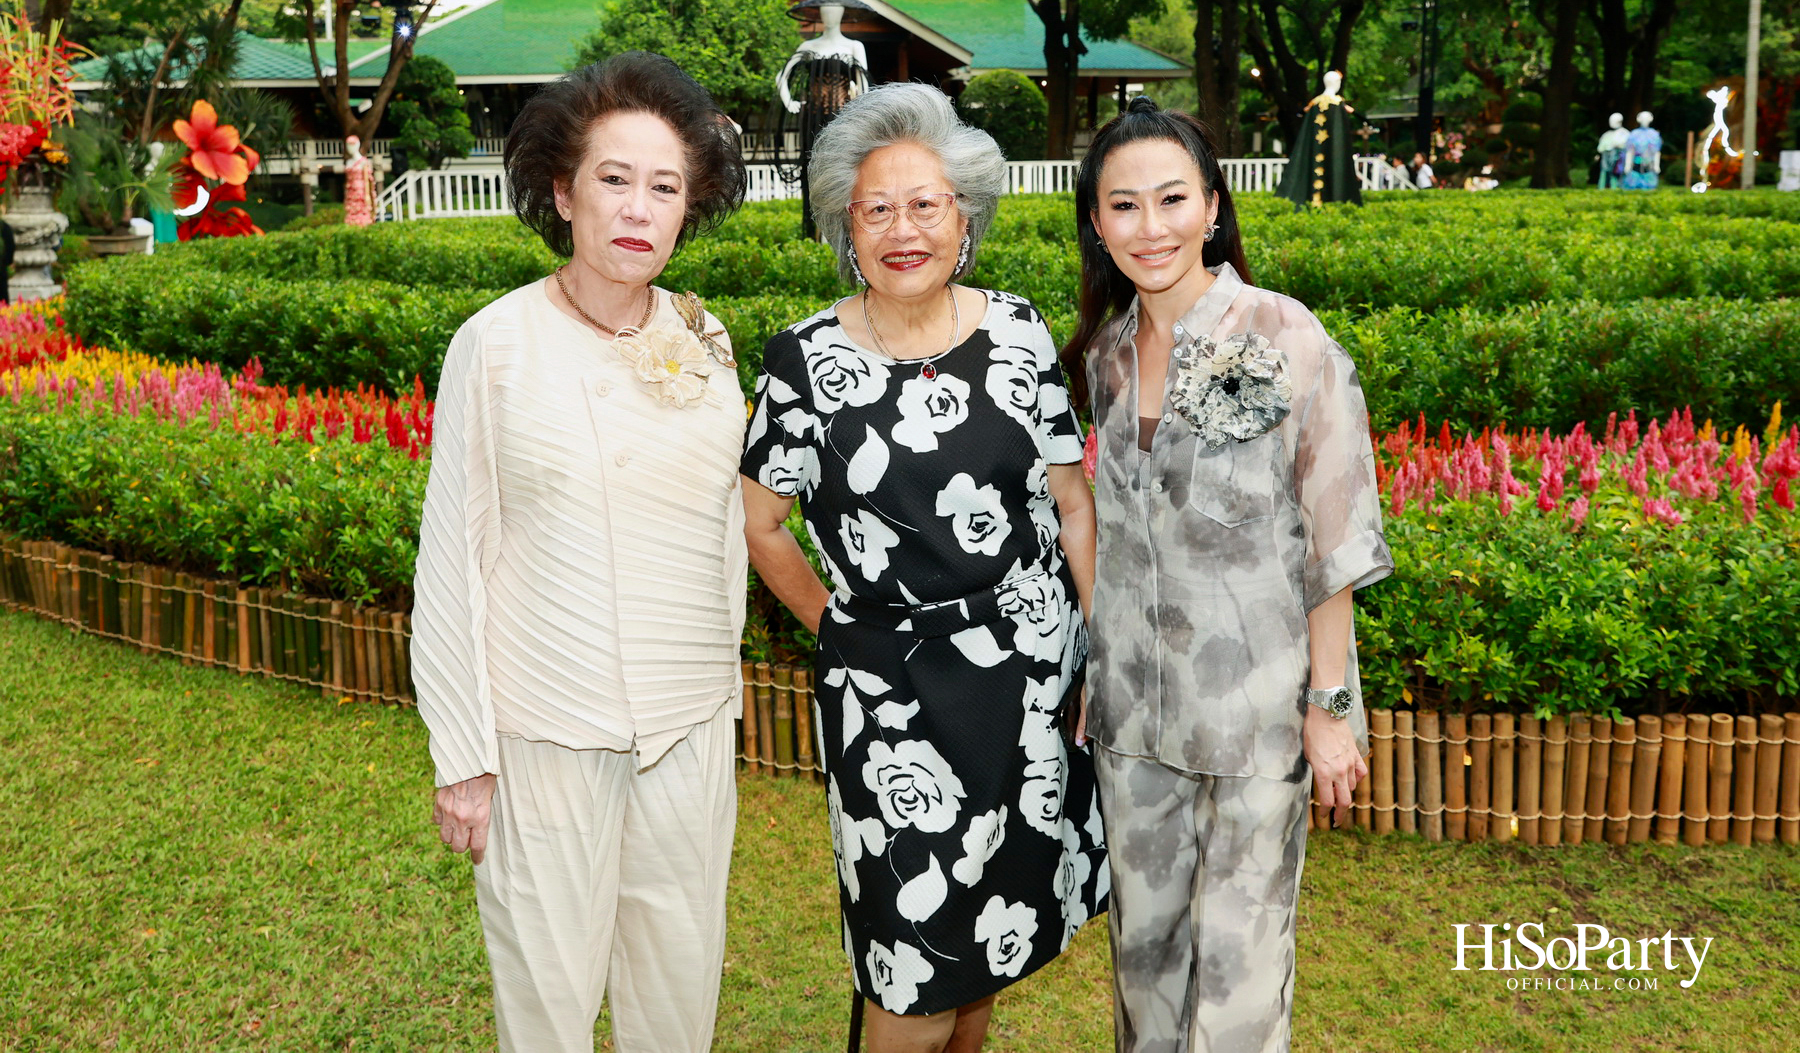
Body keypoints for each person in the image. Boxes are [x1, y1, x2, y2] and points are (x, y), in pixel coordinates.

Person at [741, 82, 1108, 1053]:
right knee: (911, 967)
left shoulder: (1022, 333)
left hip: (1030, 681)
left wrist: (1097, 648)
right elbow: (762, 523)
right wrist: (837, 627)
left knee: (991, 938)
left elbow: (1071, 502)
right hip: (889, 700)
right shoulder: (803, 360)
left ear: (966, 217)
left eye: (926, 204)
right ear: (844, 228)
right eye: (877, 209)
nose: (903, 229)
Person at [410, 51, 749, 1053]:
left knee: (677, 1000)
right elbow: (453, 558)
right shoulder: (497, 344)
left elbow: (724, 533)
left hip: (690, 733)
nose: (638, 209)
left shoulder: (706, 339)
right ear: (562, 192)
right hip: (544, 734)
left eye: (665, 186)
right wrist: (464, 757)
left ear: (690, 207)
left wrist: (722, 691)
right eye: (614, 179)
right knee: (548, 1007)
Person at [1062, 97, 1392, 1053]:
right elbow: (1116, 533)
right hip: (1134, 717)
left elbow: (1336, 528)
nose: (1150, 226)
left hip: (1257, 713)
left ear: (1212, 206)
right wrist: (1098, 665)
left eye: (1172, 199)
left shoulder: (1285, 335)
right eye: (1124, 206)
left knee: (1240, 978)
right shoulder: (1108, 356)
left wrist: (1329, 704)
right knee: (1145, 962)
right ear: (1097, 221)